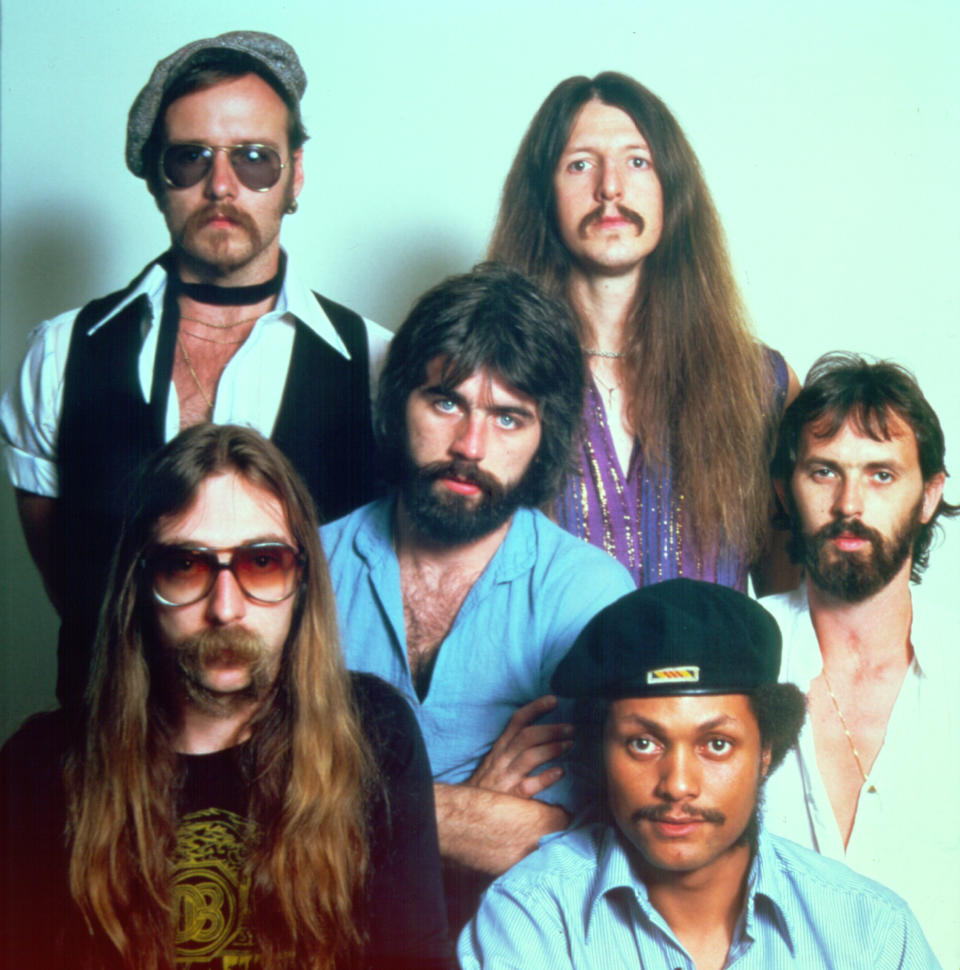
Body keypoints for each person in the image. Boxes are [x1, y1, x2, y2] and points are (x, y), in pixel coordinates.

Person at [0, 31, 390, 708]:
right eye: (190, 159)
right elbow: (73, 592)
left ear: (295, 175)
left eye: (254, 159)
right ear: (156, 177)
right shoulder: (60, 355)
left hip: (305, 771)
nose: (221, 184)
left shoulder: (377, 364)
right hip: (106, 762)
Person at [0, 424, 451, 970]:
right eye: (185, 565)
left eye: (262, 562)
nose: (226, 609)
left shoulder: (375, 733)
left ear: (303, 579)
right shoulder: (39, 765)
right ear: (141, 584)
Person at [321, 263, 635, 925]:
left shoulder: (588, 594)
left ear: (545, 436)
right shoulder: (307, 567)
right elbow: (251, 805)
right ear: (398, 400)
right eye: (446, 401)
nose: (470, 444)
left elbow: (587, 845)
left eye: (509, 418)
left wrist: (349, 804)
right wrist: (472, 805)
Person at [460, 578, 939, 969]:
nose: (678, 785)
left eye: (716, 744)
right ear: (599, 751)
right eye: (642, 743)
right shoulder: (531, 918)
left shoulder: (872, 933)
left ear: (766, 751)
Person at [489, 72, 800, 592]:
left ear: (671, 190)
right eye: (580, 164)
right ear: (544, 196)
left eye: (637, 161)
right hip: (547, 677)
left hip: (724, 675)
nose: (610, 187)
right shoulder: (490, 378)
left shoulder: (760, 385)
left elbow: (783, 608)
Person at [761, 351, 959, 967]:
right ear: (784, 491)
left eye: (881, 475)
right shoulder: (739, 657)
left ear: (929, 495)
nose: (850, 503)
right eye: (823, 472)